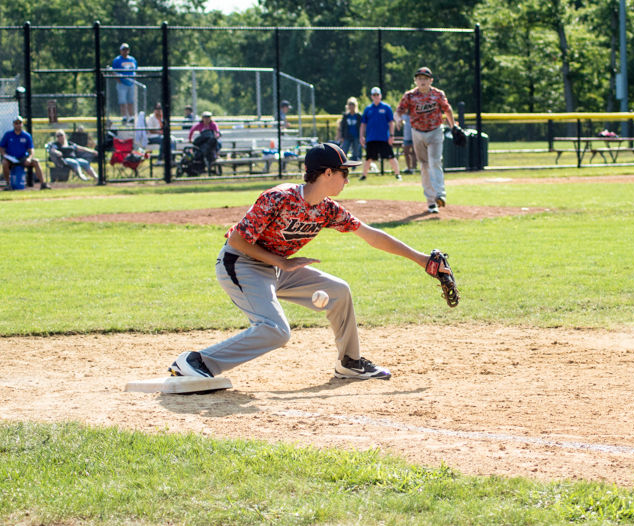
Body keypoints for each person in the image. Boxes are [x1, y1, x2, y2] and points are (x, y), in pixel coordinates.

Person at [167, 142, 452, 381]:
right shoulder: (278, 198)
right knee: (276, 331)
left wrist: (421, 259)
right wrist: (281, 261)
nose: (347, 179)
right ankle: (197, 362)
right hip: (240, 264)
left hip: (275, 267)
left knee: (338, 291)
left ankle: (349, 362)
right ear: (327, 172)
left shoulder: (327, 209)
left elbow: (371, 236)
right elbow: (237, 241)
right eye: (343, 172)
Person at [396, 67, 456, 213]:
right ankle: (431, 201)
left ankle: (440, 194)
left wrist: (453, 126)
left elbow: (447, 109)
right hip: (417, 133)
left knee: (435, 161)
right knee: (424, 165)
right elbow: (399, 111)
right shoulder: (409, 96)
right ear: (415, 80)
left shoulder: (437, 94)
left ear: (431, 80)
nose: (422, 81)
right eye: (419, 78)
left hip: (435, 131)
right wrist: (397, 119)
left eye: (425, 79)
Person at [359, 87, 401, 181]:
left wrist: (391, 135)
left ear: (380, 95)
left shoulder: (386, 108)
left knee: (391, 156)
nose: (376, 97)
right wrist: (361, 136)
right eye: (374, 95)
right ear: (371, 96)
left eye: (377, 94)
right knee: (368, 158)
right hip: (371, 138)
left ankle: (398, 174)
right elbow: (363, 124)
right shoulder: (368, 109)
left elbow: (391, 122)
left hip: (384, 138)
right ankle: (364, 175)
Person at [0, 116, 50, 190]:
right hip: (11, 159)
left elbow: (31, 150)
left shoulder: (26, 136)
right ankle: (8, 185)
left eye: (20, 123)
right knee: (4, 163)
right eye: (16, 123)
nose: (18, 125)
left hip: (23, 158)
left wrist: (29, 158)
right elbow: (1, 147)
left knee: (36, 162)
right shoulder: (8, 135)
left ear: (22, 124)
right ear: (13, 124)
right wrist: (5, 155)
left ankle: (43, 184)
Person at [111, 43, 137, 125]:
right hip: (122, 83)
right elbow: (114, 72)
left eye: (127, 50)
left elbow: (135, 70)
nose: (125, 51)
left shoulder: (132, 59)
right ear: (121, 51)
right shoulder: (117, 60)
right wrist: (118, 80)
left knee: (131, 101)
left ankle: (131, 117)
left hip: (131, 83)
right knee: (122, 101)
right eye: (123, 50)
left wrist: (134, 79)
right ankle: (124, 117)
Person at [338, 97, 362, 161]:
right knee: (344, 150)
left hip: (356, 136)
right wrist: (341, 136)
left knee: (355, 152)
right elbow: (342, 127)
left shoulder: (358, 115)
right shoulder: (346, 115)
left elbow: (361, 126)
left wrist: (361, 136)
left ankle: (354, 166)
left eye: (353, 104)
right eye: (350, 104)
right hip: (347, 136)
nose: (351, 106)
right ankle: (343, 163)